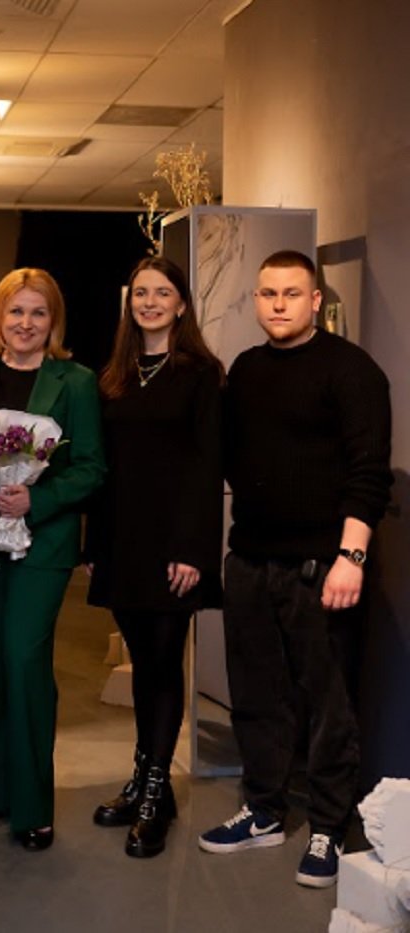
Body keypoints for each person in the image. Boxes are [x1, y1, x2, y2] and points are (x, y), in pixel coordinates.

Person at [199, 250, 393, 888]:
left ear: (315, 302)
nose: (278, 304)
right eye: (268, 293)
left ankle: (329, 827)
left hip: (322, 566)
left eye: (291, 293)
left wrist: (350, 558)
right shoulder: (247, 370)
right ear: (256, 300)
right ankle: (263, 810)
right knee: (257, 696)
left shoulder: (352, 371)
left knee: (329, 703)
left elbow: (369, 474)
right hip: (251, 560)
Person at [0, 268, 105, 851]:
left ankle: (33, 806)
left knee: (23, 660)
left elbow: (92, 467)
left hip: (44, 544)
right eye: (16, 311)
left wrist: (36, 500)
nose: (26, 323)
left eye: (38, 312)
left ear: (53, 320)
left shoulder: (76, 381)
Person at [86, 256, 224, 858]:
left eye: (162, 293)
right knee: (144, 664)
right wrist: (95, 545)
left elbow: (207, 467)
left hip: (174, 547)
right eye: (141, 293)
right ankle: (148, 781)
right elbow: (102, 469)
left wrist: (193, 549)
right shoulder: (113, 376)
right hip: (123, 542)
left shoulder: (201, 373)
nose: (149, 302)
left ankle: (153, 796)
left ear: (181, 303)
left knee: (165, 663)